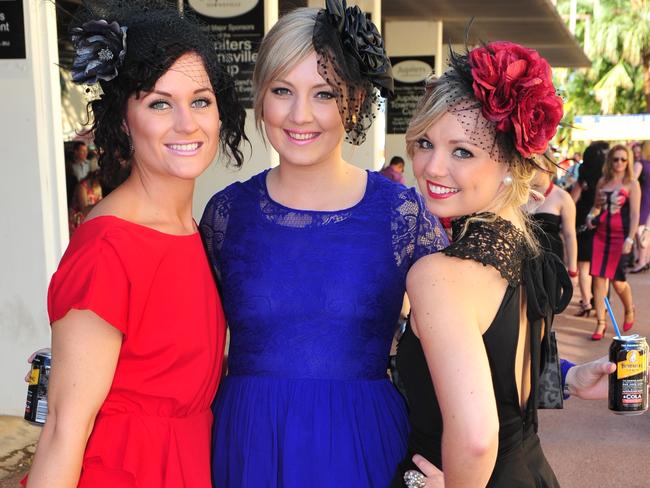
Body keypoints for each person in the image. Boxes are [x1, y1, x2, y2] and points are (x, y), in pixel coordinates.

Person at [199, 2, 449, 486]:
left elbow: (466, 329)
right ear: (261, 97)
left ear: (354, 101)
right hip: (249, 447)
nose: (300, 115)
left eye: (323, 93)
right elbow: (185, 335)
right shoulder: (227, 214)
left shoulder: (400, 214)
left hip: (362, 446)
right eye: (282, 91)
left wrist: (558, 374)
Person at [25, 1, 245, 486]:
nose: (187, 123)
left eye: (201, 100)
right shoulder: (109, 247)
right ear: (124, 121)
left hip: (190, 461)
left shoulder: (193, 229)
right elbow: (64, 426)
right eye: (159, 103)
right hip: (129, 470)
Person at [391, 42, 572, 487]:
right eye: (425, 143)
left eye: (462, 152)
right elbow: (518, 387)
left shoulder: (439, 276)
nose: (432, 167)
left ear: (509, 162)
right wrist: (573, 377)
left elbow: (476, 439)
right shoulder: (532, 249)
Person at [587, 144, 641, 340]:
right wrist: (589, 216)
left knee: (618, 283)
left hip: (621, 237)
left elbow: (635, 214)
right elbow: (595, 208)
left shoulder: (632, 183)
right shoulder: (603, 181)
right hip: (601, 234)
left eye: (623, 159)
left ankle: (629, 308)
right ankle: (600, 323)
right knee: (599, 280)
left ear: (628, 162)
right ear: (610, 160)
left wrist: (630, 238)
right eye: (616, 159)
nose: (619, 163)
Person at [570, 142, 608, 317]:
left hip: (582, 223)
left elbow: (572, 200)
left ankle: (586, 303)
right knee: (600, 266)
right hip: (600, 221)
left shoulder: (583, 179)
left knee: (584, 265)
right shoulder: (606, 178)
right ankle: (602, 303)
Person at [527, 154, 578, 274]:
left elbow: (570, 235)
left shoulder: (562, 197)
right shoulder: (520, 195)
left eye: (536, 167)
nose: (531, 171)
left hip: (551, 263)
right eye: (528, 167)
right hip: (524, 261)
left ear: (548, 167)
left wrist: (572, 270)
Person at [630, 140, 650, 273]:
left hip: (643, 199)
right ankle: (645, 260)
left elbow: (633, 180)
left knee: (640, 229)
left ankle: (641, 261)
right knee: (646, 230)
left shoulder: (640, 164)